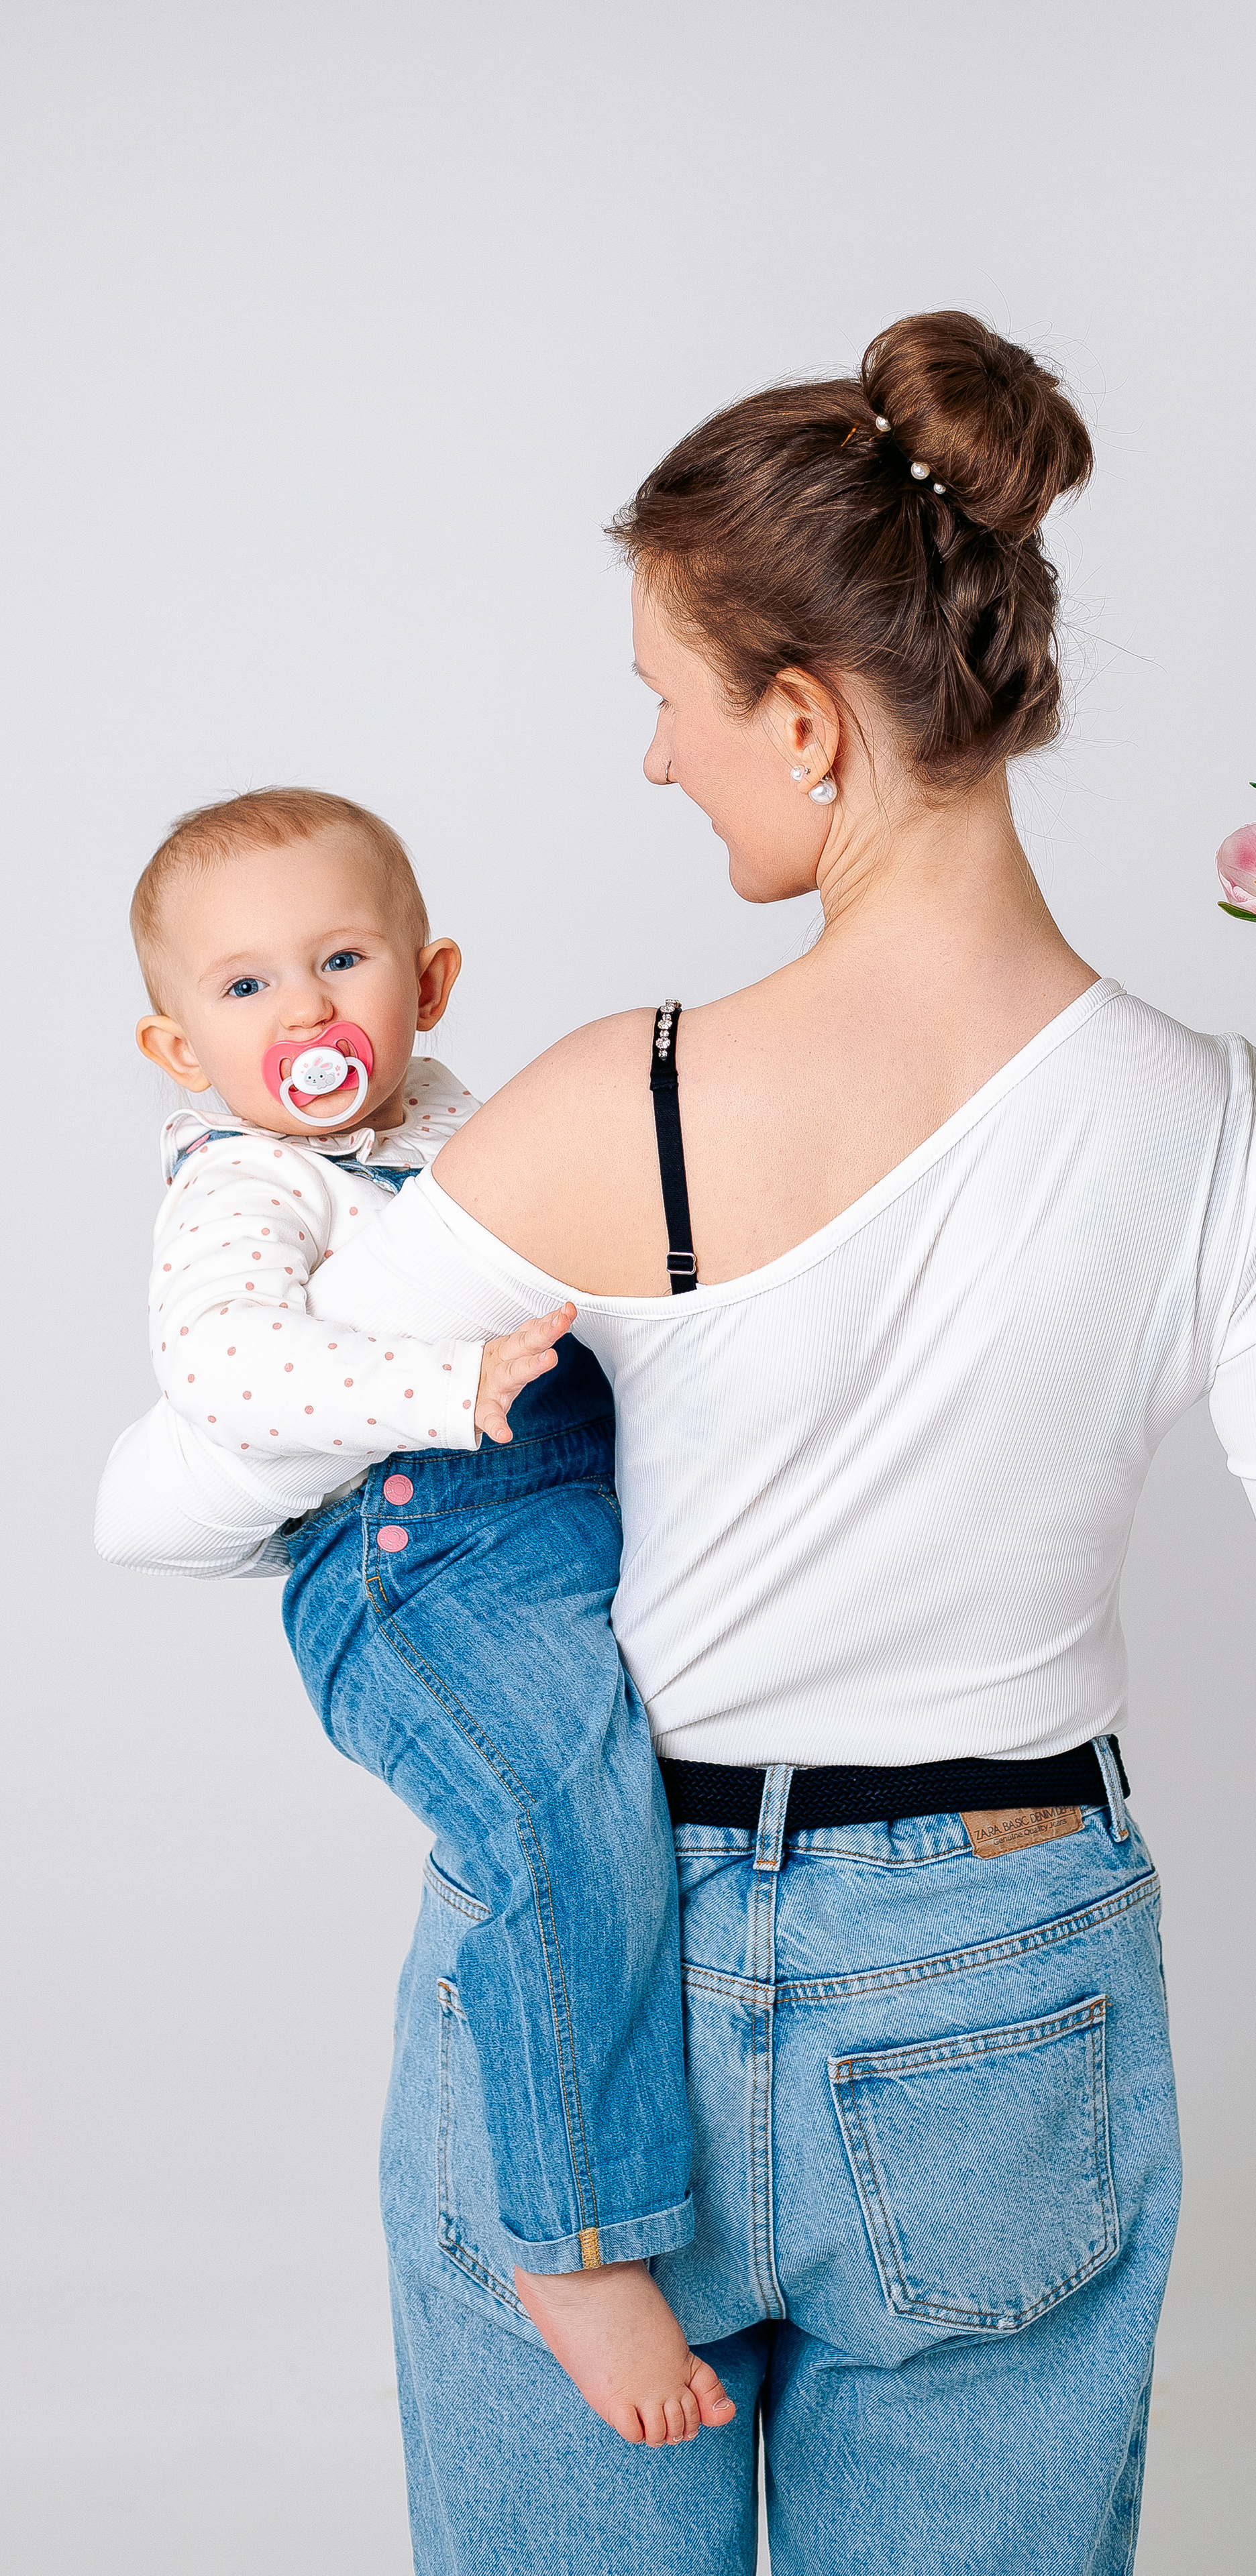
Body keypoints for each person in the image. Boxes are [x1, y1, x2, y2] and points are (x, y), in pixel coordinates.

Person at [147, 311, 1256, 2572]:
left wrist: (340, 1332)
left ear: (801, 719)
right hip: (1013, 1985)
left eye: (666, 703)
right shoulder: (1234, 1142)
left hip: (599, 1988)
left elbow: (205, 1475)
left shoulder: (613, 1103)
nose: (653, 763)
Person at [95, 788, 735, 2447]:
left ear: (429, 981)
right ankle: (576, 2244)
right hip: (407, 1558)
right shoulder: (252, 1184)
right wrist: (440, 1381)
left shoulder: (463, 1125)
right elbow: (226, 1373)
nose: (303, 1011)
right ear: (180, 1050)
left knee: (670, 1780)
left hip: (563, 1519)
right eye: (244, 990)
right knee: (553, 1811)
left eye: (341, 958)